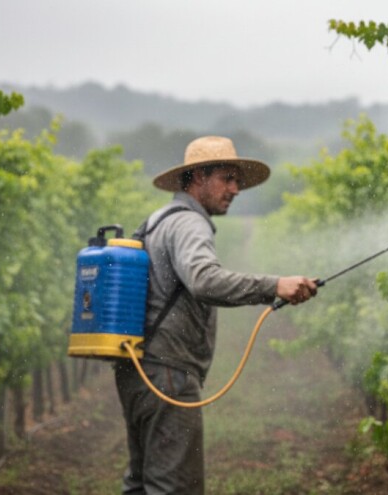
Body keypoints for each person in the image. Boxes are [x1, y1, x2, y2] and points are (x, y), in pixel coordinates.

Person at [114, 135, 317, 494]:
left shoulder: (158, 220)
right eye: (227, 177)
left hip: (138, 372)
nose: (236, 189)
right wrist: (275, 285)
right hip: (168, 375)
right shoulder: (190, 223)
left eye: (237, 180)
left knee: (141, 484)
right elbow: (204, 281)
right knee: (173, 488)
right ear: (198, 178)